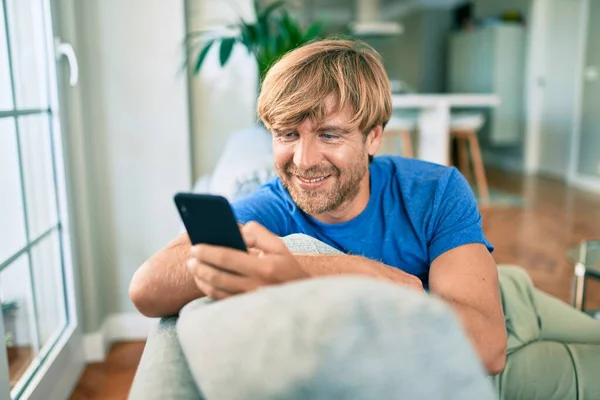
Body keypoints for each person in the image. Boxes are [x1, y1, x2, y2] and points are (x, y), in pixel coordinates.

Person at [129, 39, 507, 375]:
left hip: (492, 300)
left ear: (373, 137)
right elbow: (147, 287)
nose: (304, 160)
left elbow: (490, 349)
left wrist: (302, 268)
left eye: (329, 134)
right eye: (287, 134)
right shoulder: (272, 206)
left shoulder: (436, 192)